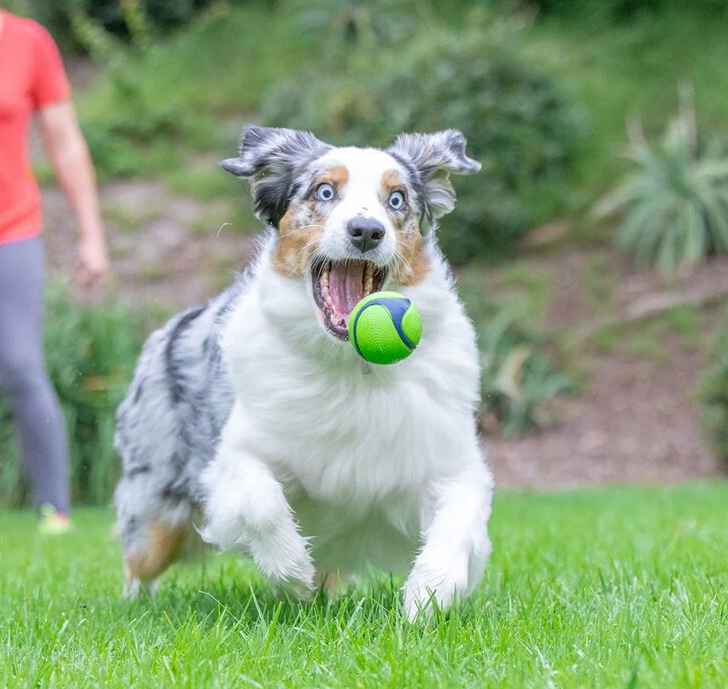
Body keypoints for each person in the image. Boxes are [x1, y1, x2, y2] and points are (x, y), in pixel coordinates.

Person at [0, 9, 109, 533]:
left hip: (12, 228)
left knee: (21, 364)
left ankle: (54, 508)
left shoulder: (28, 42)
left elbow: (64, 141)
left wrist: (91, 233)